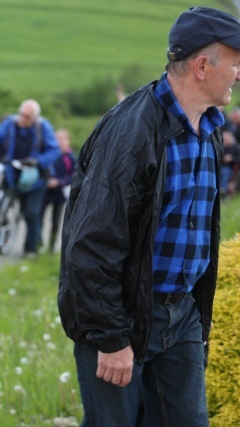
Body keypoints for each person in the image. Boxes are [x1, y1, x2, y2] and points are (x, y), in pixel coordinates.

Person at [58, 7, 240, 426]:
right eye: (234, 63)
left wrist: (193, 314)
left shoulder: (209, 128)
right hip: (124, 315)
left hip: (183, 315)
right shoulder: (133, 133)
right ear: (201, 66)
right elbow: (91, 244)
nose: (238, 74)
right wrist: (111, 338)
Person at [0, 99, 60, 259]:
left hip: (36, 179)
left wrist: (37, 160)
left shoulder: (43, 127)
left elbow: (54, 151)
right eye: (21, 115)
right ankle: (1, 238)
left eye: (27, 117)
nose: (22, 119)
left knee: (31, 213)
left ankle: (31, 248)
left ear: (34, 118)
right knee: (1, 205)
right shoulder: (11, 124)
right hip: (13, 173)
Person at [40, 128, 76, 253]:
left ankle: (51, 248)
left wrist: (60, 182)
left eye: (62, 139)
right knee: (39, 216)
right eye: (57, 138)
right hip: (46, 192)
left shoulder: (70, 158)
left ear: (68, 141)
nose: (59, 141)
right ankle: (38, 243)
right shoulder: (49, 154)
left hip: (60, 194)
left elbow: (73, 175)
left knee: (56, 221)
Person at [221, 130, 240, 197]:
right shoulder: (222, 148)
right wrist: (223, 159)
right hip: (222, 166)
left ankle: (224, 190)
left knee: (225, 172)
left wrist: (232, 158)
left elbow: (238, 159)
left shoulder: (236, 148)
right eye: (225, 139)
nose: (226, 141)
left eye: (228, 139)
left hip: (232, 167)